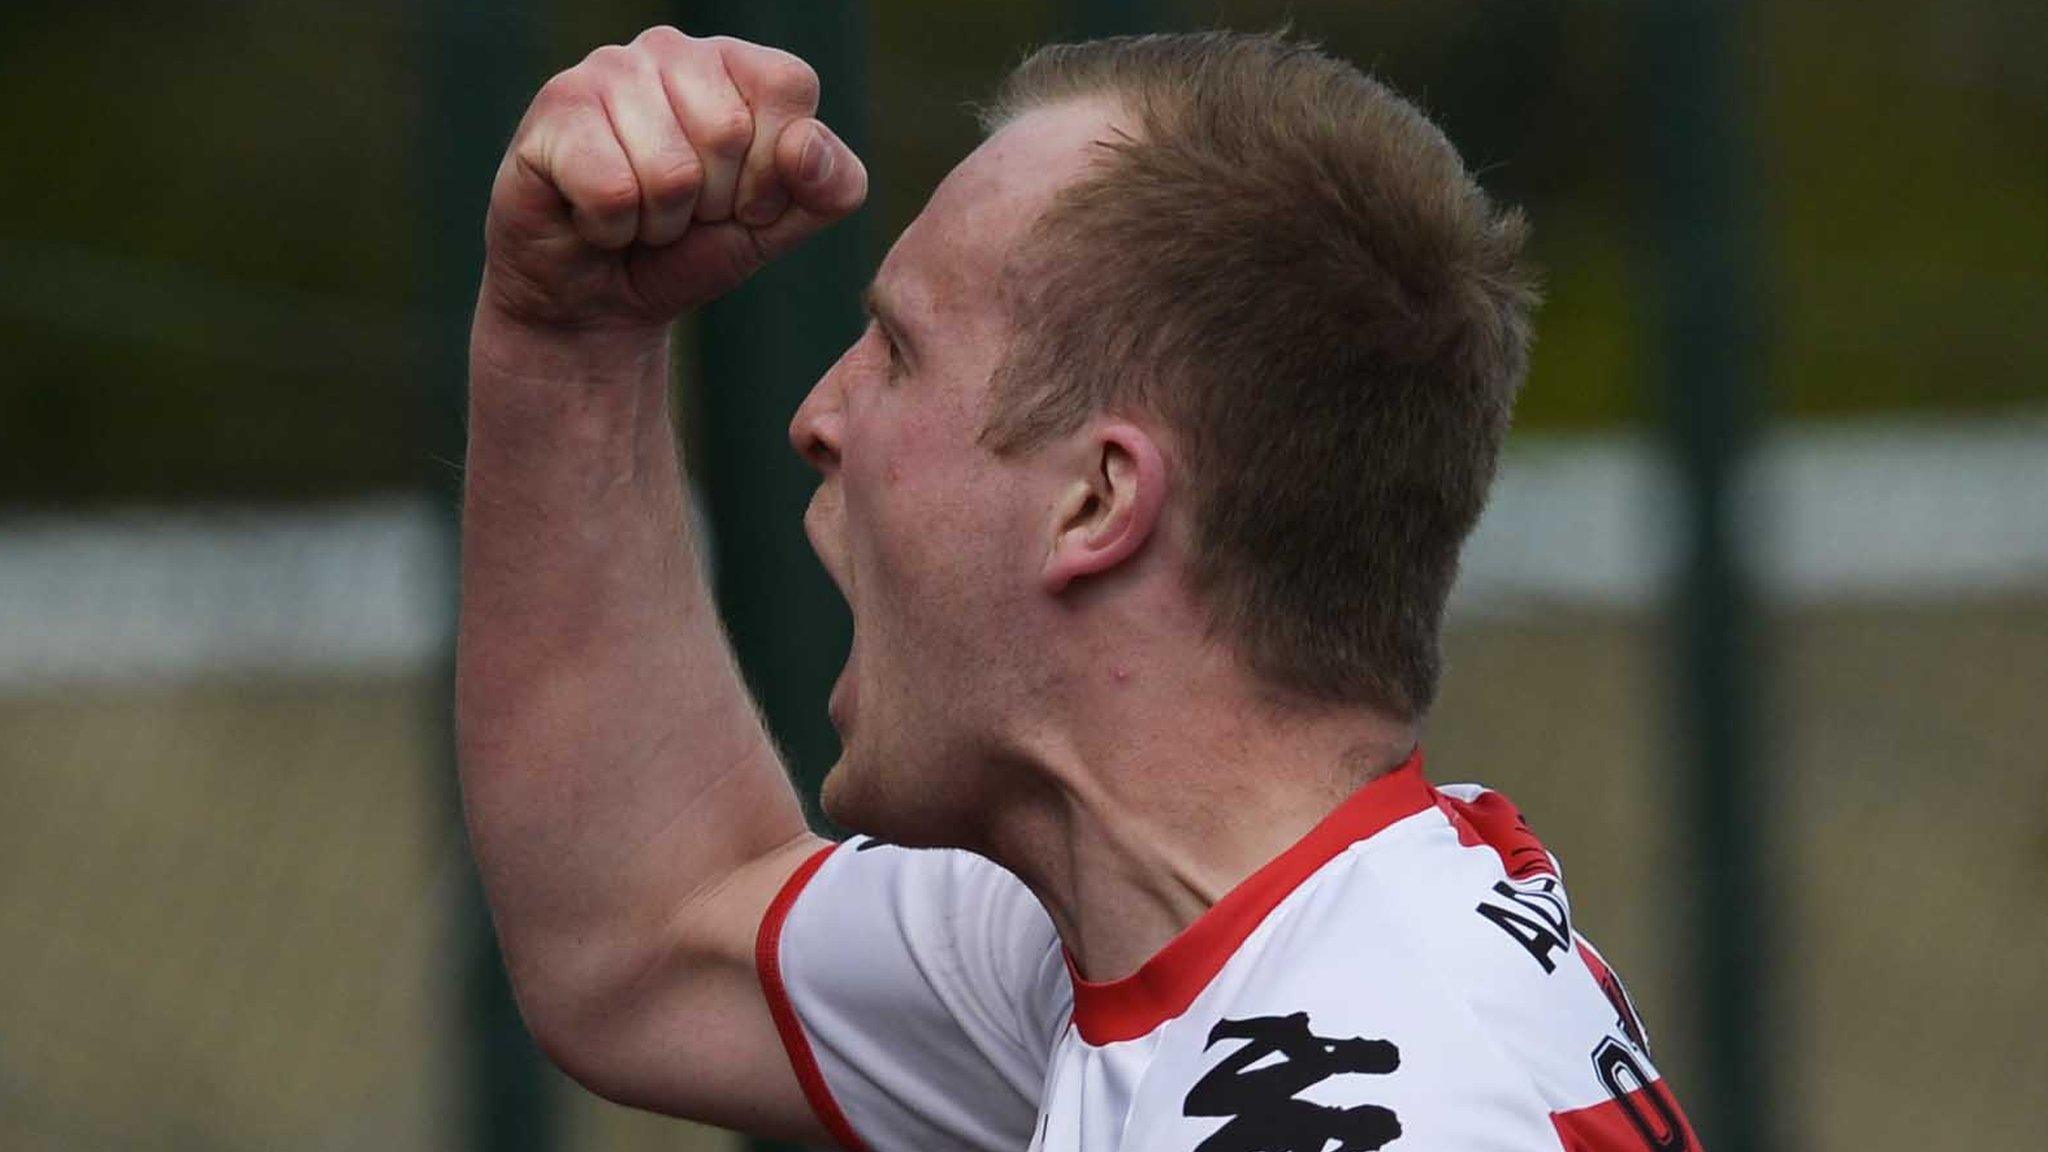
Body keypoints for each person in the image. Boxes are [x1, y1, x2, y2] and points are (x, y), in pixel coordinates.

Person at [458, 24, 1701, 1152]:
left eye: (897, 350)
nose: (818, 417)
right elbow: (653, 934)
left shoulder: (1371, 1110)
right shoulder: (1176, 956)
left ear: (1098, 502)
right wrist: (565, 335)